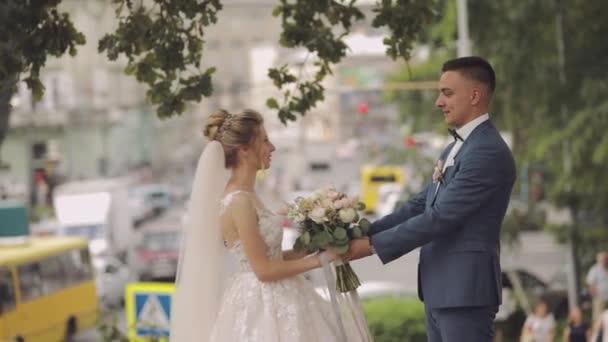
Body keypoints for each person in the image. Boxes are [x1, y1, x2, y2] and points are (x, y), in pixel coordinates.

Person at [345, 56, 516, 342]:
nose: (438, 101)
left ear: (475, 95)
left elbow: (440, 217)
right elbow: (418, 206)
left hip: (465, 292)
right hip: (440, 290)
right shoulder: (452, 149)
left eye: (447, 93)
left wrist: (370, 246)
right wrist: (361, 231)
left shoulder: (487, 152)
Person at [169, 109, 371, 342]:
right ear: (244, 150)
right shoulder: (238, 201)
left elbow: (271, 256)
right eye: (265, 140)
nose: (272, 147)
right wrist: (321, 260)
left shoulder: (249, 195)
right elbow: (264, 271)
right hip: (263, 305)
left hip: (279, 293)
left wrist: (311, 245)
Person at [588, 251, 608, 321]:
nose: (605, 260)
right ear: (598, 260)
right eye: (603, 259)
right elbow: (591, 285)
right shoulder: (594, 270)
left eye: (606, 259)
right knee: (598, 318)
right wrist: (595, 296)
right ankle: (597, 332)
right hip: (599, 298)